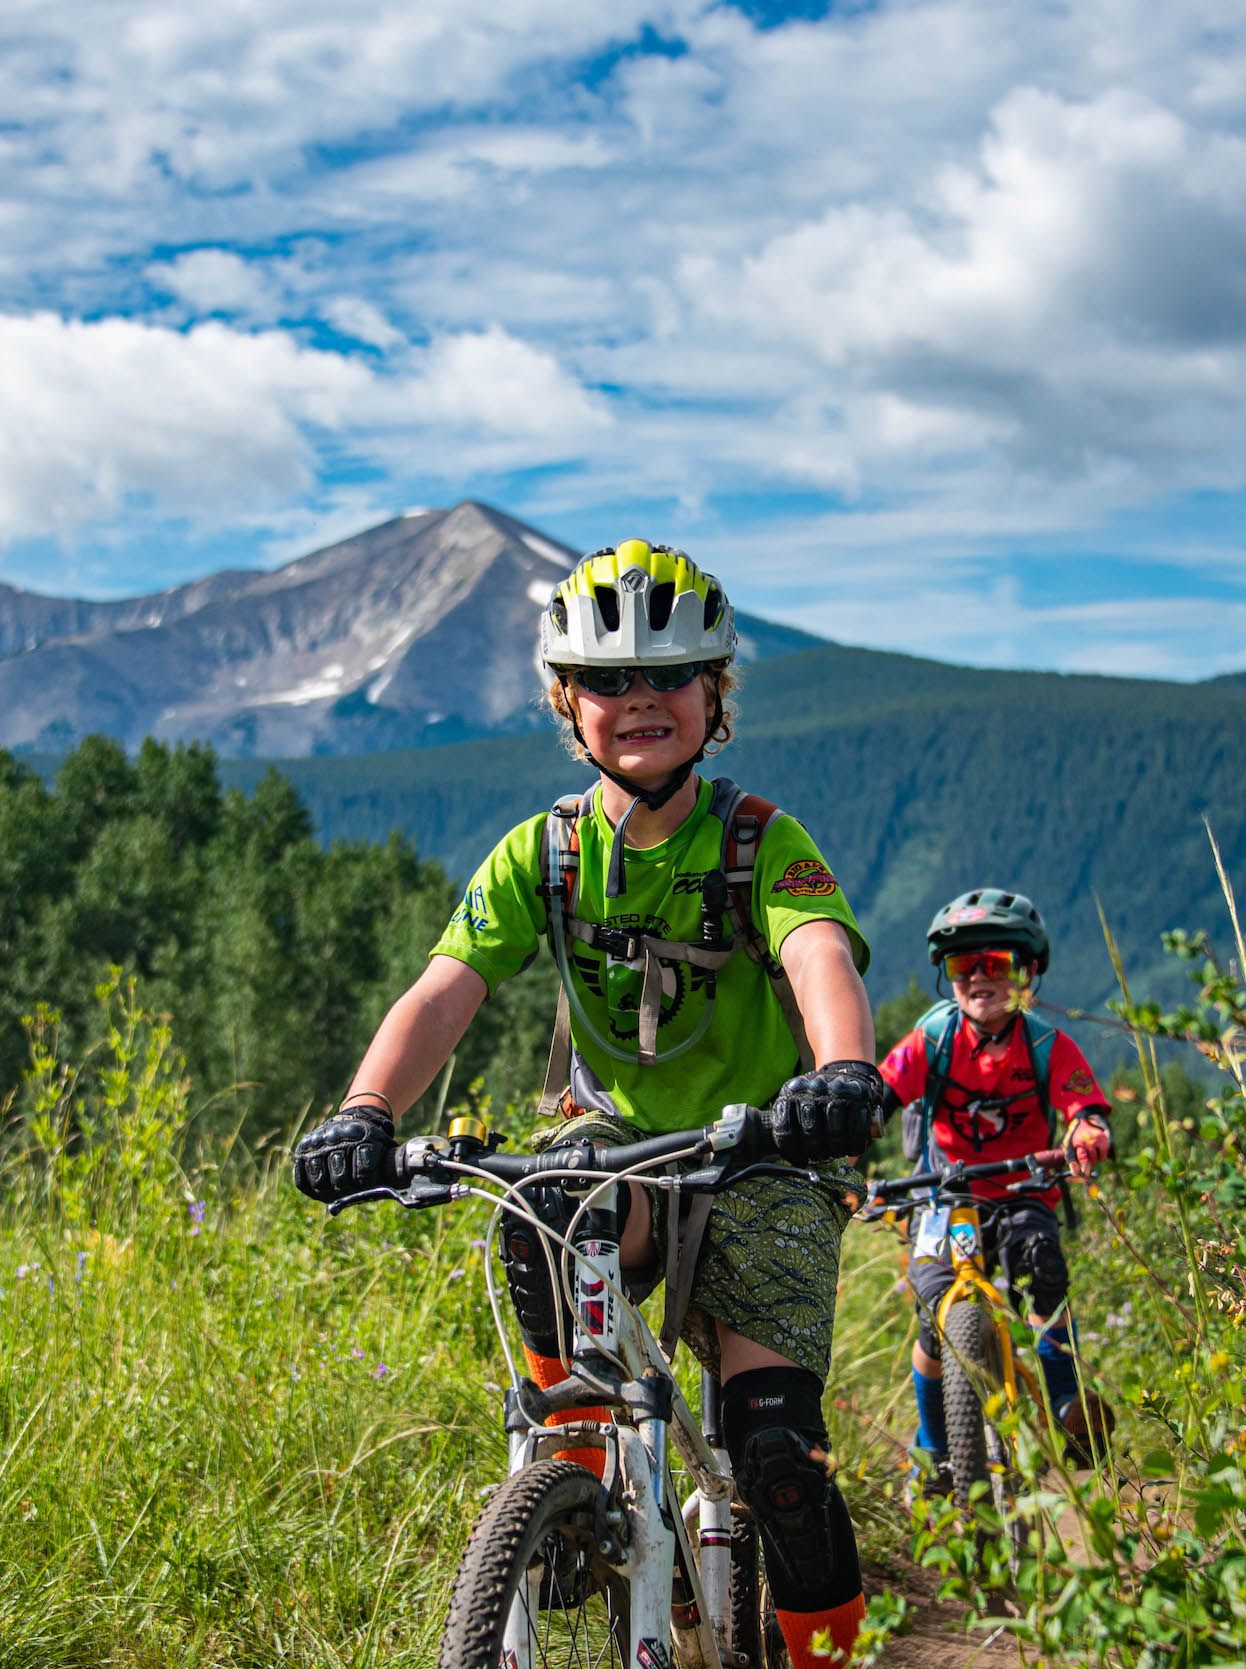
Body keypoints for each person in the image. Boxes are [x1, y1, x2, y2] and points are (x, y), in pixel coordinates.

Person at [291, 539, 892, 1669]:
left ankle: (829, 1654)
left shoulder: (758, 840)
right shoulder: (548, 851)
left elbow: (818, 954)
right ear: (568, 703)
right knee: (545, 1203)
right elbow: (445, 989)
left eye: (670, 675)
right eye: (609, 680)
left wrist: (843, 1073)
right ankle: (568, 1471)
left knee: (776, 1455)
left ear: (716, 693)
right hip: (621, 1143)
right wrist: (366, 1109)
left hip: (767, 1148)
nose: (641, 699)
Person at [880, 887, 1115, 1485]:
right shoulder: (934, 1039)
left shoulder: (1045, 1045)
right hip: (945, 1197)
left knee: (1042, 1269)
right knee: (935, 1316)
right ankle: (934, 1448)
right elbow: (880, 1094)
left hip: (1022, 1193)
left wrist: (1088, 1131)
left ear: (1027, 973)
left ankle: (1066, 1406)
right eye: (963, 965)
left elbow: (1084, 1107)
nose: (978, 978)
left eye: (996, 963)